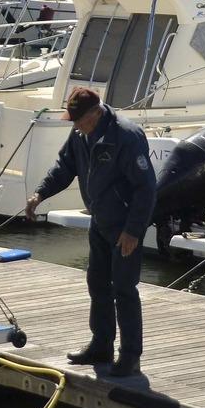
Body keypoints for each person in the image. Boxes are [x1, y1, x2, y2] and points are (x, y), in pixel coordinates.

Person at [25, 87, 156, 377]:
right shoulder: (80, 134)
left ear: (96, 113)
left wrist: (133, 230)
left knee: (124, 289)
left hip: (124, 226)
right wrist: (40, 194)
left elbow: (145, 188)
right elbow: (64, 166)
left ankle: (130, 357)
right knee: (97, 283)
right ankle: (101, 345)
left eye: (80, 121)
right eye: (73, 121)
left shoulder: (126, 136)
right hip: (99, 220)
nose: (76, 126)